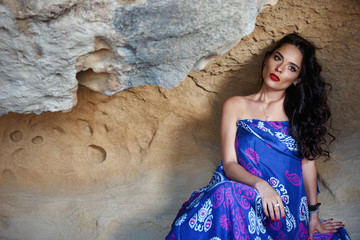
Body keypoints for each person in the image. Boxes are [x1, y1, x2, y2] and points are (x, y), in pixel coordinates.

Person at [166, 33, 351, 240]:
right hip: (244, 196)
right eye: (278, 58)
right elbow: (229, 163)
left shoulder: (300, 115)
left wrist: (314, 216)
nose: (280, 69)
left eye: (292, 67)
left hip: (283, 209)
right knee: (225, 193)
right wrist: (262, 186)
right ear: (267, 59)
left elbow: (308, 166)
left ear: (297, 80)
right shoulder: (235, 105)